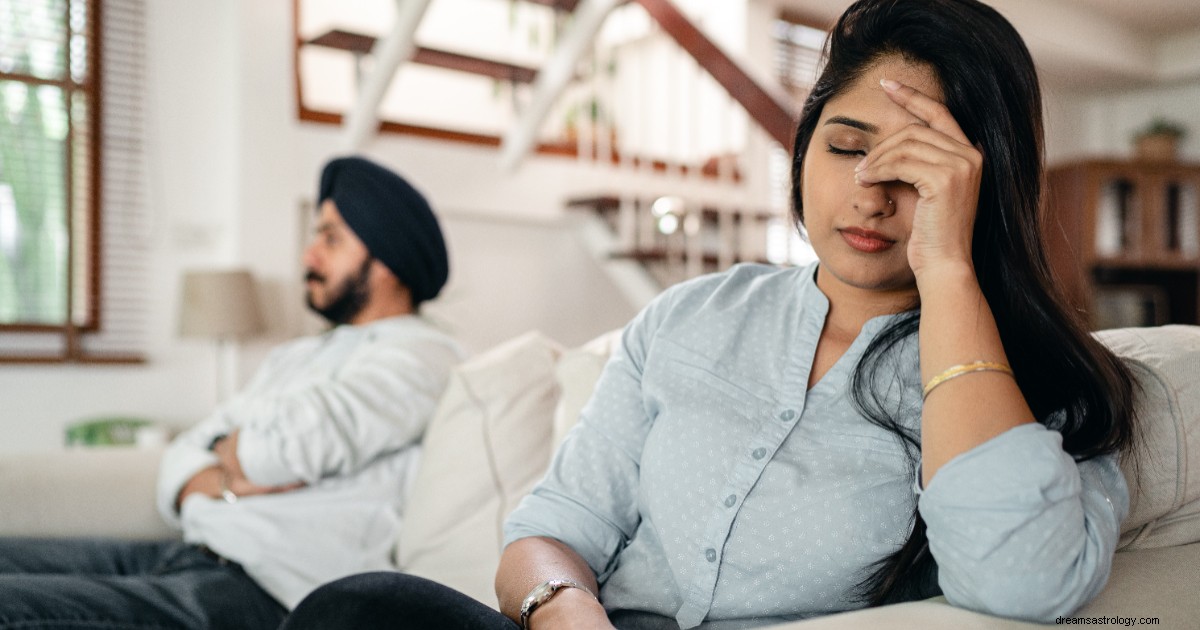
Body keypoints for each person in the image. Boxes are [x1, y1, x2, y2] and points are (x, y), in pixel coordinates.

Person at [279, 1, 1139, 628]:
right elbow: (553, 528)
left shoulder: (1040, 382)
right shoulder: (691, 316)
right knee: (358, 609)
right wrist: (562, 608)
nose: (871, 193)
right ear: (804, 150)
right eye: (845, 148)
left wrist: (948, 267)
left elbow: (1023, 581)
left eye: (921, 170)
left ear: (981, 186)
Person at [0, 156, 464, 629]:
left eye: (330, 238)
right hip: (186, 554)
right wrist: (226, 478)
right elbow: (181, 455)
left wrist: (231, 450)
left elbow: (275, 451)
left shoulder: (423, 355)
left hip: (256, 591)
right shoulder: (299, 356)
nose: (308, 256)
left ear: (388, 260)